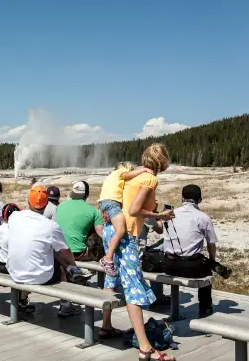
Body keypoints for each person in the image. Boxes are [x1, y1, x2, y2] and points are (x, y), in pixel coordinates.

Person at [100, 143, 176, 361]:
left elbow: (116, 200)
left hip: (111, 230)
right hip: (126, 236)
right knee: (133, 288)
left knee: (111, 278)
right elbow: (134, 210)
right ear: (163, 162)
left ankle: (105, 326)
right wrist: (159, 216)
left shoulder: (130, 177)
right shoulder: (150, 179)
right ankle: (145, 348)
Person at [7, 185, 91, 317]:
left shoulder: (15, 217)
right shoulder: (51, 226)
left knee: (47, 249)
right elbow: (66, 251)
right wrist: (73, 265)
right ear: (47, 204)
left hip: (14, 271)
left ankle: (22, 299)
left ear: (28, 202)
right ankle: (66, 305)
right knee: (58, 257)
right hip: (41, 277)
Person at [163, 185, 231, 318]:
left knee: (198, 260)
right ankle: (205, 308)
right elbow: (211, 243)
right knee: (206, 270)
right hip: (190, 267)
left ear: (182, 198)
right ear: (199, 199)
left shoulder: (170, 214)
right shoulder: (203, 217)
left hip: (168, 265)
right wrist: (212, 259)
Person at [98, 162, 154, 276]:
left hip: (104, 203)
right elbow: (126, 175)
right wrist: (143, 170)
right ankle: (107, 259)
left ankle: (109, 258)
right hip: (112, 203)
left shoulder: (110, 177)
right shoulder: (120, 172)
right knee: (120, 231)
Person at [0, 203, 35, 314]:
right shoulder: (13, 230)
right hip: (8, 267)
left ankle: (20, 298)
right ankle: (21, 300)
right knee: (35, 273)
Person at [56, 181, 104, 261]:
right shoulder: (93, 211)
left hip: (60, 252)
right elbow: (102, 234)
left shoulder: (60, 206)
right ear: (87, 194)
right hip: (78, 254)